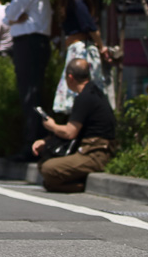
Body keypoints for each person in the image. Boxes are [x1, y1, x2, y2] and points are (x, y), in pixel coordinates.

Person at [32, 58, 116, 192]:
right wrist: (46, 141)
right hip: (90, 150)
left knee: (49, 168)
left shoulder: (84, 97)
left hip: (95, 154)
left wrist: (51, 125)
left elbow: (70, 132)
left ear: (70, 78)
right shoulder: (94, 92)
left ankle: (79, 185)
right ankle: (68, 183)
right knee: (45, 164)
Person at [3, 0, 53, 162]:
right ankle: (34, 143)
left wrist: (13, 16)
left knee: (32, 95)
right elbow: (9, 16)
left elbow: (10, 13)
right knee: (28, 95)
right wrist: (13, 17)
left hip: (32, 42)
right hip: (26, 42)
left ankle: (33, 144)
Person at [52, 0, 111, 114]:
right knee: (86, 93)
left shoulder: (68, 2)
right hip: (81, 49)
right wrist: (102, 47)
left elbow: (89, 27)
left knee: (78, 94)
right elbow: (91, 27)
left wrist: (101, 46)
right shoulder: (77, 1)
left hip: (77, 50)